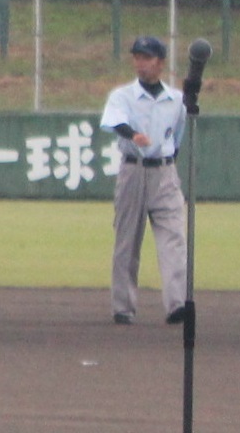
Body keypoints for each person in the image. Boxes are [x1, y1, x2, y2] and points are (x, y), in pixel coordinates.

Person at [101, 35, 189, 326]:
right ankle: (123, 307)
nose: (140, 63)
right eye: (137, 57)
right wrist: (132, 135)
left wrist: (165, 160)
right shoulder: (122, 95)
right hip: (133, 171)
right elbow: (113, 121)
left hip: (165, 173)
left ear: (160, 63)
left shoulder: (176, 100)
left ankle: (177, 304)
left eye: (147, 57)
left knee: (174, 237)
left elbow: (176, 139)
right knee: (127, 240)